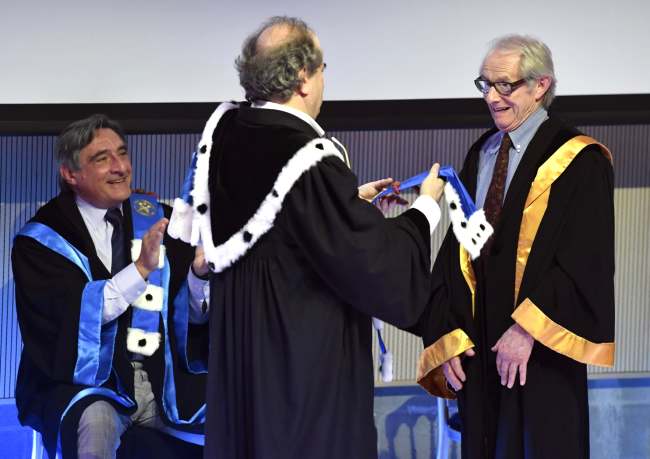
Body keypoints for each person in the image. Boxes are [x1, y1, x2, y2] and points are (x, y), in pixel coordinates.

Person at [169, 16, 444, 459]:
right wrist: (425, 209)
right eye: (322, 69)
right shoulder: (306, 158)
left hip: (243, 365)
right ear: (302, 78)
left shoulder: (227, 136)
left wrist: (346, 204)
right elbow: (374, 266)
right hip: (298, 369)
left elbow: (280, 229)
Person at [414, 35, 615, 458]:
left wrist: (527, 330)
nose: (492, 97)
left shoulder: (580, 161)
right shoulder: (482, 153)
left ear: (541, 85)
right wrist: (449, 334)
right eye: (485, 84)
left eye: (504, 85)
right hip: (480, 356)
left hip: (540, 359)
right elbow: (457, 254)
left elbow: (587, 262)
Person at [12, 114, 209, 459]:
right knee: (96, 422)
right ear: (71, 174)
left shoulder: (157, 220)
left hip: (164, 382)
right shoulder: (42, 241)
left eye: (122, 153)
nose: (120, 168)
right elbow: (73, 316)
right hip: (90, 385)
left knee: (235, 409)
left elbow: (189, 318)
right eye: (102, 159)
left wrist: (198, 275)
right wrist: (141, 269)